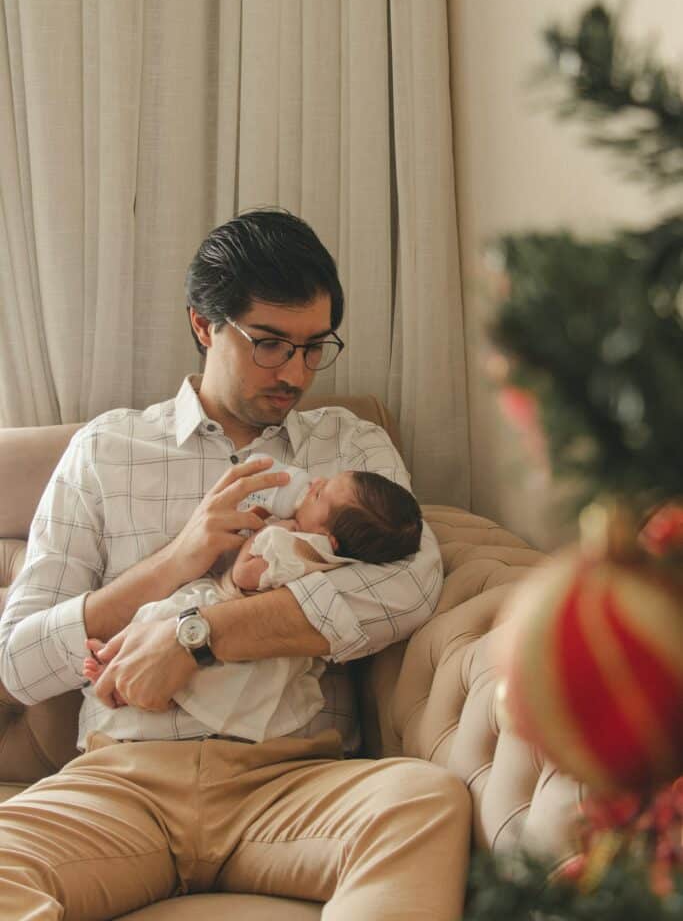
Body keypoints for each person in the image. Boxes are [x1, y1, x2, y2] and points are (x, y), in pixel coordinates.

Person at [0, 209, 470, 920]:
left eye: (315, 348)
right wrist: (176, 561)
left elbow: (408, 585)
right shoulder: (106, 451)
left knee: (424, 802)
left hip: (288, 778)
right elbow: (19, 661)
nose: (295, 372)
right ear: (202, 324)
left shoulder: (351, 447)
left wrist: (199, 634)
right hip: (122, 785)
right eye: (270, 344)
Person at [82, 469, 424, 743]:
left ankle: (113, 659)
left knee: (157, 620)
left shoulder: (288, 541)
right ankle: (125, 671)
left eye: (319, 494)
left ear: (329, 537)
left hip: (228, 612)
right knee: (189, 663)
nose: (314, 483)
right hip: (275, 656)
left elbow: (246, 576)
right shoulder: (335, 560)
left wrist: (261, 534)